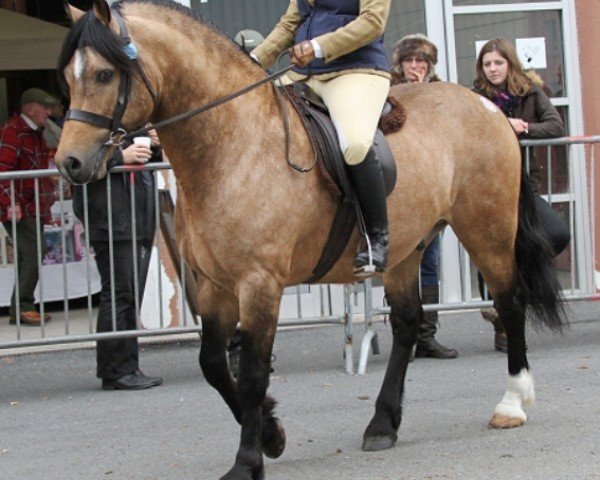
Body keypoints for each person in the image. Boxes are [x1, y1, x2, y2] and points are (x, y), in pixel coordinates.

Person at [252, 0, 392, 275]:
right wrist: (253, 61)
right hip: (303, 74)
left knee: (354, 144)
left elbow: (373, 22)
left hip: (356, 70)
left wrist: (318, 47)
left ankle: (377, 238)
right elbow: (290, 23)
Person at [472, 38, 570, 352]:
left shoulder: (529, 91)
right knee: (489, 250)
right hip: (485, 190)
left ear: (509, 64)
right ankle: (501, 322)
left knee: (556, 233)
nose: (492, 69)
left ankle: (516, 290)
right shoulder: (476, 97)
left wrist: (524, 128)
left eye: (498, 63)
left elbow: (555, 126)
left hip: (523, 186)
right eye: (487, 64)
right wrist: (502, 125)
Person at [73, 129, 163, 390]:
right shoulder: (88, 123)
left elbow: (144, 165)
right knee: (119, 293)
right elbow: (79, 164)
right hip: (112, 221)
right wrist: (122, 155)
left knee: (127, 294)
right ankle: (115, 371)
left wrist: (152, 147)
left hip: (132, 219)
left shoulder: (124, 127)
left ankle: (127, 367)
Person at [390, 34, 458, 359]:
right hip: (402, 189)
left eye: (421, 61)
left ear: (430, 65)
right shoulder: (386, 90)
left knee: (429, 264)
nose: (415, 66)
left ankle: (427, 333)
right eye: (409, 60)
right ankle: (402, 334)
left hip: (432, 190)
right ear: (399, 64)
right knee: (398, 261)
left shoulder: (440, 93)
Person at [0, 88, 58, 326]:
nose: (49, 111)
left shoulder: (34, 132)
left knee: (29, 255)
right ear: (30, 108)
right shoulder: (13, 132)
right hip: (19, 207)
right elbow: (2, 171)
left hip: (29, 206)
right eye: (44, 107)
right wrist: (11, 203)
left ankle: (21, 308)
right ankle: (23, 306)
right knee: (33, 253)